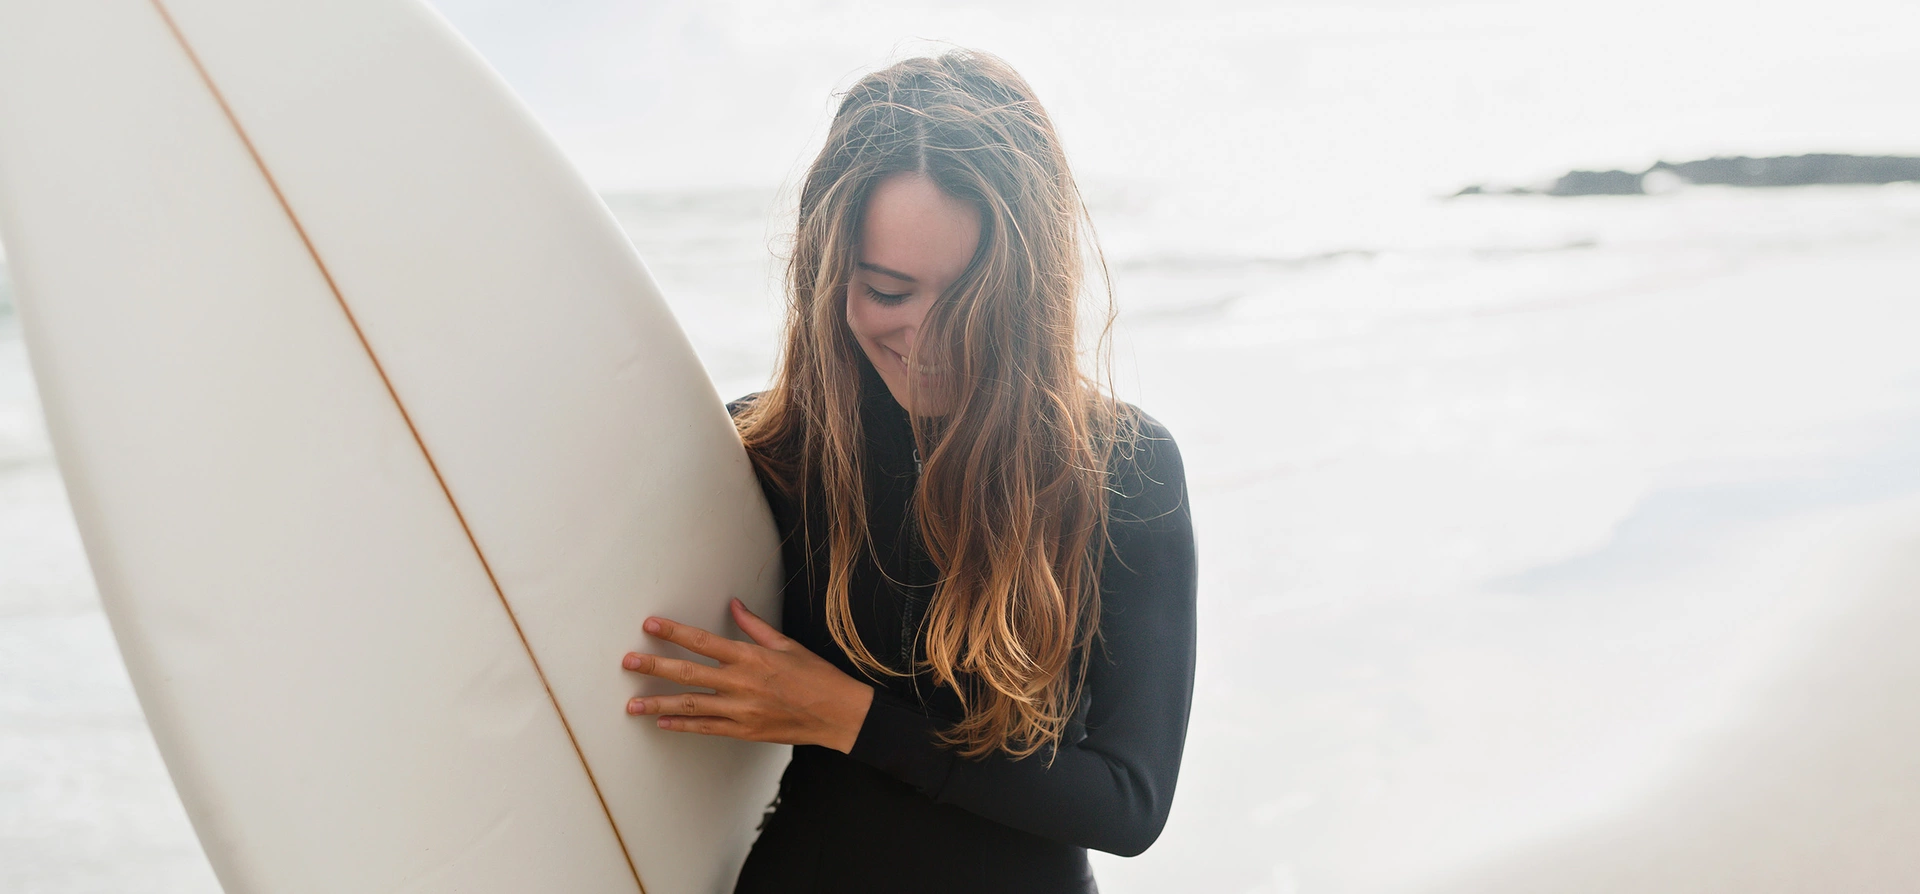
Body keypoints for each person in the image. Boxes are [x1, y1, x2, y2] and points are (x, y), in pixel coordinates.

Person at [618, 50, 1197, 894]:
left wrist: (850, 718)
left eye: (971, 303)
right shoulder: (762, 451)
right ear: (827, 273)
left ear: (1029, 292)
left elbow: (1128, 804)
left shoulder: (1117, 469)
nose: (929, 342)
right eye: (887, 291)